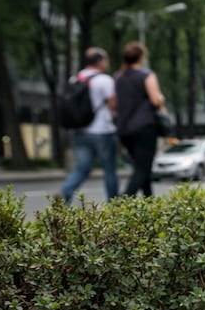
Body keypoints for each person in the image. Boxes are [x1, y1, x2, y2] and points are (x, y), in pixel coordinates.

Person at [57, 48, 118, 203]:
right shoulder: (105, 80)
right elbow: (113, 106)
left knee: (82, 168)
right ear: (99, 62)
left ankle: (65, 192)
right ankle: (114, 205)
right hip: (102, 131)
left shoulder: (75, 79)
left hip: (79, 131)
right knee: (109, 169)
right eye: (105, 59)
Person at [115, 41, 167, 197]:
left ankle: (149, 203)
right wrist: (161, 98)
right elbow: (156, 100)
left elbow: (114, 103)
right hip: (144, 128)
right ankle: (122, 203)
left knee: (142, 166)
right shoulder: (146, 75)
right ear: (141, 57)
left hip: (124, 129)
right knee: (142, 168)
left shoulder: (118, 77)